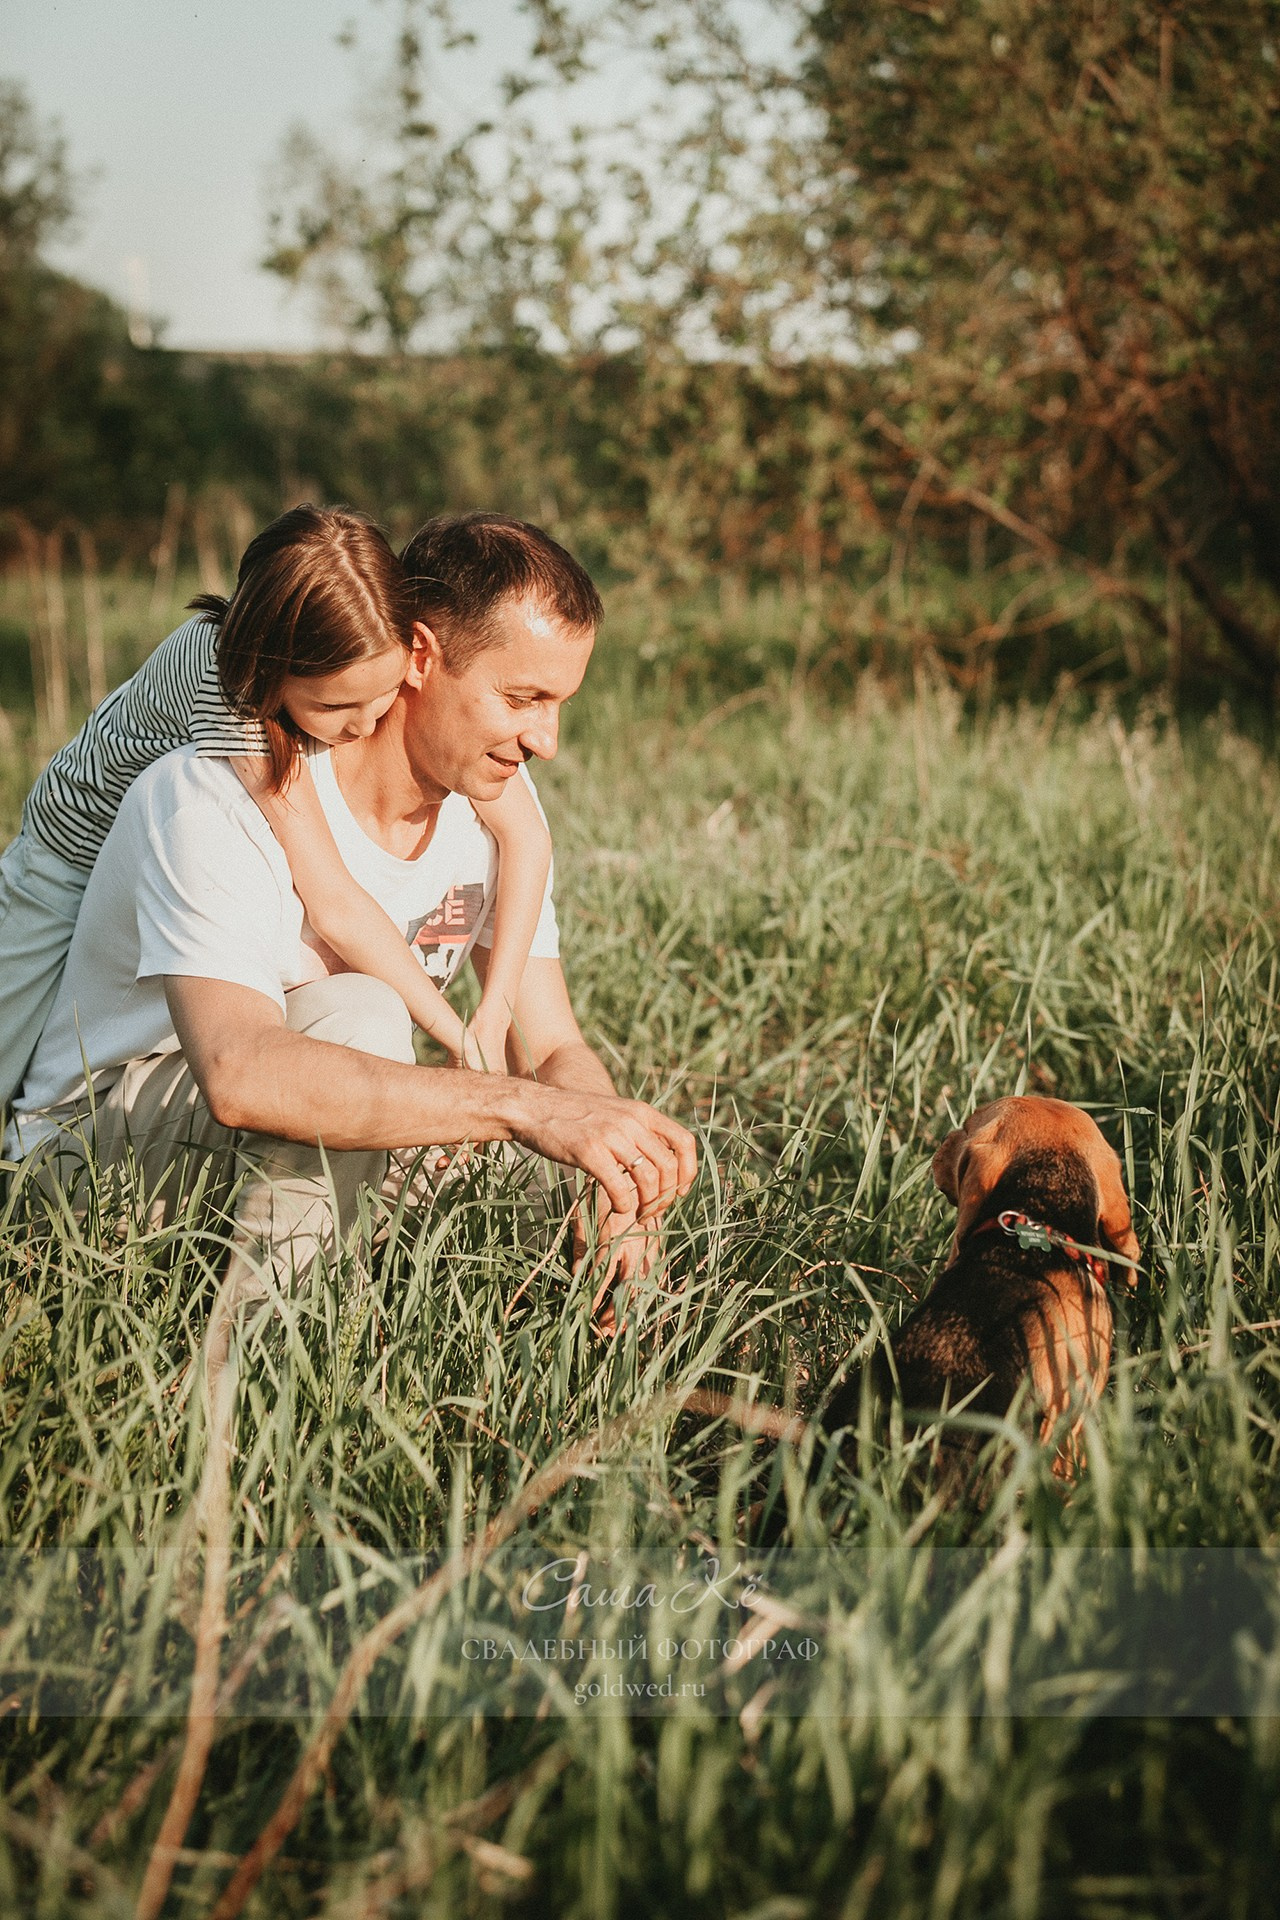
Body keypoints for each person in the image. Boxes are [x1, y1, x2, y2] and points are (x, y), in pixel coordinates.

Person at [4, 513, 695, 1300]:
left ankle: (604, 1343)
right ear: (421, 656)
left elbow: (555, 1044)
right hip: (94, 1149)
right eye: (521, 696)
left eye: (558, 701)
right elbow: (244, 1067)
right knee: (364, 1017)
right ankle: (263, 1369)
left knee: (551, 1143)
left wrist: (618, 1181)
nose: (547, 739)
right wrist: (503, 1098)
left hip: (234, 1135)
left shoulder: (492, 788)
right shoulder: (229, 772)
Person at [0, 505, 550, 1107]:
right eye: (337, 708)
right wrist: (455, 1036)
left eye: (384, 695)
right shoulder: (231, 691)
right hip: (63, 865)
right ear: (272, 670)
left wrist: (494, 1012)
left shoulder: (346, 647)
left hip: (140, 873)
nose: (367, 723)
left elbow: (526, 834)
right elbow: (334, 900)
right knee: (9, 1054)